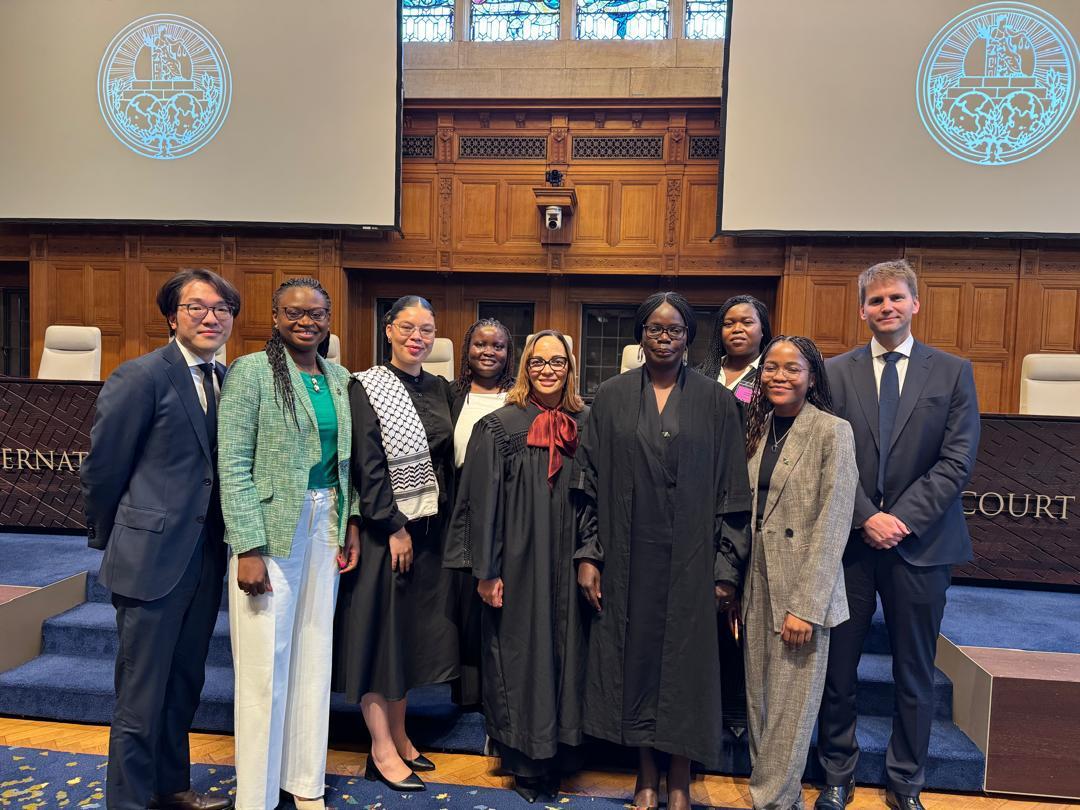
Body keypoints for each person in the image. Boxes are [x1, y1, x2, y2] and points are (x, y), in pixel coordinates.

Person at [573, 292, 752, 810]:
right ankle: (645, 777)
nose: (665, 337)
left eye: (675, 330)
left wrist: (727, 569)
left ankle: (680, 779)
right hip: (628, 558)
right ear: (640, 334)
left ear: (690, 336)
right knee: (635, 664)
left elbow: (733, 493)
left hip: (692, 562)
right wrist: (589, 554)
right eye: (655, 328)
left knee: (684, 670)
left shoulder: (717, 403)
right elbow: (588, 481)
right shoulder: (609, 397)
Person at [814, 260, 980, 810]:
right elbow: (828, 458)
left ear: (915, 304)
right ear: (862, 310)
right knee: (840, 669)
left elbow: (957, 462)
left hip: (923, 545)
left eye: (895, 298)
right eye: (876, 300)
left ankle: (904, 780)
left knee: (914, 673)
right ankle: (837, 772)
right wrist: (866, 517)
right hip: (850, 544)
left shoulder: (952, 372)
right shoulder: (834, 374)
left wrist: (900, 520)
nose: (886, 307)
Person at [81, 268, 240, 810]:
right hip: (149, 559)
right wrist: (115, 537)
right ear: (172, 316)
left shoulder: (231, 380)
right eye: (197, 307)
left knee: (183, 686)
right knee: (140, 695)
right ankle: (126, 801)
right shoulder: (141, 376)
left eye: (221, 308)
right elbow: (104, 470)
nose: (210, 317)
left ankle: (172, 787)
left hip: (205, 562)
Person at [218, 277, 358, 810]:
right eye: (294, 313)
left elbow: (348, 464)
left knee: (313, 653)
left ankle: (304, 780)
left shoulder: (340, 377)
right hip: (271, 529)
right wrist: (248, 546)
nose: (306, 322)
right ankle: (255, 795)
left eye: (317, 314)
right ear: (275, 317)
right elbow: (232, 463)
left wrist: (350, 524)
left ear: (328, 319)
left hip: (325, 523)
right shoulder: (251, 373)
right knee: (263, 662)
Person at [445, 330, 589, 803]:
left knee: (566, 655)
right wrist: (487, 571)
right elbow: (480, 503)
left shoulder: (585, 422)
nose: (548, 370)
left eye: (557, 362)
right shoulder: (501, 426)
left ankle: (563, 756)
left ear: (569, 368)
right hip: (519, 565)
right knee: (521, 656)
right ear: (525, 367)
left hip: (570, 564)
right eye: (538, 362)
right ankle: (526, 763)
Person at [333, 295, 460, 792]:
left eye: (427, 330)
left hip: (429, 535)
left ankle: (402, 737)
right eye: (408, 327)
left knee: (403, 640)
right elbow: (367, 465)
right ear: (388, 329)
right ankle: (380, 750)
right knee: (378, 639)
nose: (417, 337)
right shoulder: (365, 386)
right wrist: (394, 526)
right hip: (390, 536)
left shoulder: (440, 388)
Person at [741, 336, 858, 810]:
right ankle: (773, 794)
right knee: (759, 703)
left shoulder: (833, 431)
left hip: (802, 590)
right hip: (755, 582)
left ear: (812, 376)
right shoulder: (756, 428)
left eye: (792, 368)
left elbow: (834, 523)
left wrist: (807, 607)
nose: (779, 376)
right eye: (771, 367)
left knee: (790, 706)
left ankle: (771, 801)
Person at [448, 318, 516, 708]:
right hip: (459, 509)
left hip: (503, 510)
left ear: (509, 354)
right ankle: (467, 694)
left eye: (498, 346)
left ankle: (499, 690)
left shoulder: (518, 397)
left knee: (497, 600)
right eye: (480, 344)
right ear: (466, 349)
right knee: (463, 607)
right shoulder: (452, 395)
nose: (488, 352)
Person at [699, 295, 773, 405]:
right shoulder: (700, 373)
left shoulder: (771, 375)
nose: (737, 329)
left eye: (747, 322)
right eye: (728, 324)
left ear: (763, 329)